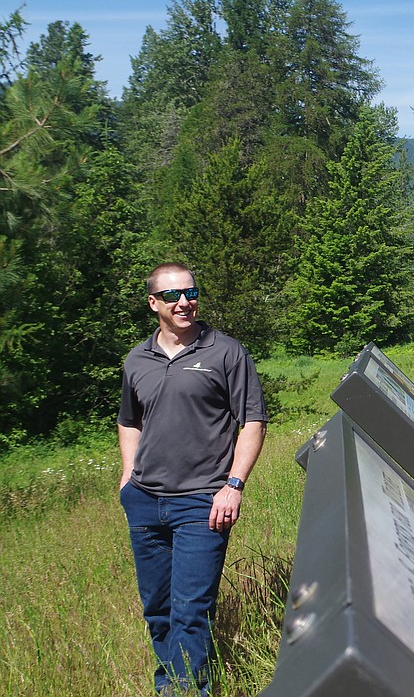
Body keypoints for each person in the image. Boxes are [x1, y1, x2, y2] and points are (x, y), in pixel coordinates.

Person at [118, 263, 267, 696]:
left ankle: (188, 691)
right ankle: (170, 686)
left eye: (191, 292)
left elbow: (253, 422)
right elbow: (130, 421)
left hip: (203, 502)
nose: (184, 302)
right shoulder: (137, 359)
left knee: (191, 609)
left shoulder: (225, 352)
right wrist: (128, 475)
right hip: (145, 501)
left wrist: (234, 485)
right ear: (154, 304)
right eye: (172, 295)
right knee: (159, 609)